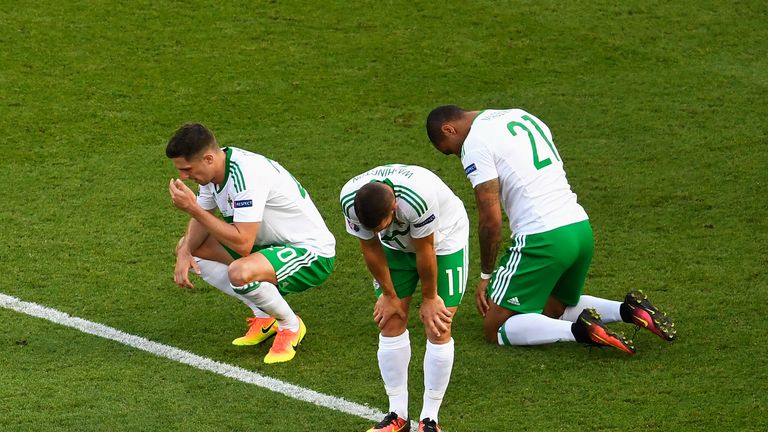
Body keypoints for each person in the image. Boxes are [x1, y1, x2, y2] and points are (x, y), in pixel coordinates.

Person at [425, 106, 675, 354]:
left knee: (494, 327)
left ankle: (581, 331)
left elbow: (490, 220)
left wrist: (485, 276)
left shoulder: (475, 143)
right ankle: (628, 310)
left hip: (542, 237)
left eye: (451, 150)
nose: (458, 156)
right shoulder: (519, 115)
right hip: (579, 228)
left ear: (449, 129)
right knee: (552, 308)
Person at [166, 123, 335, 364]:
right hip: (269, 247)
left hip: (310, 252)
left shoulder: (246, 176)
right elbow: (203, 217)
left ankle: (290, 325)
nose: (184, 176)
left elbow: (243, 244)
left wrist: (191, 207)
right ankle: (265, 316)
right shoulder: (213, 173)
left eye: (187, 169)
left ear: (208, 158)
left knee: (240, 271)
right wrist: (184, 252)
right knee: (191, 248)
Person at [340, 164, 469, 432]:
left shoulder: (416, 199)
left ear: (394, 207)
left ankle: (430, 419)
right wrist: (389, 295)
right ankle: (396, 415)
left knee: (438, 325)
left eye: (381, 225)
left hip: (444, 242)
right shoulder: (350, 201)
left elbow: (426, 250)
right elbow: (371, 247)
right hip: (395, 248)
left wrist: (430, 297)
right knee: (390, 320)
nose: (376, 231)